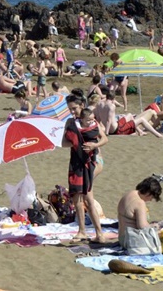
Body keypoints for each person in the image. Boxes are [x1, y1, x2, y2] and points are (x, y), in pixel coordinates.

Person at [61, 93, 108, 243]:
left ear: (82, 105)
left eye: (74, 108)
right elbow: (63, 143)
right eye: (69, 109)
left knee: (87, 196)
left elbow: (104, 138)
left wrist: (94, 145)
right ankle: (82, 231)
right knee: (77, 197)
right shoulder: (71, 122)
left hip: (94, 161)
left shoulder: (91, 120)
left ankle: (99, 233)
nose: (72, 111)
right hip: (77, 161)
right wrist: (76, 143)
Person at [117, 177, 163, 251]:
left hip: (122, 237)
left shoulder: (129, 194)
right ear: (148, 193)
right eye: (152, 197)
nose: (150, 200)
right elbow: (142, 226)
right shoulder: (140, 203)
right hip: (131, 241)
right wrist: (155, 227)